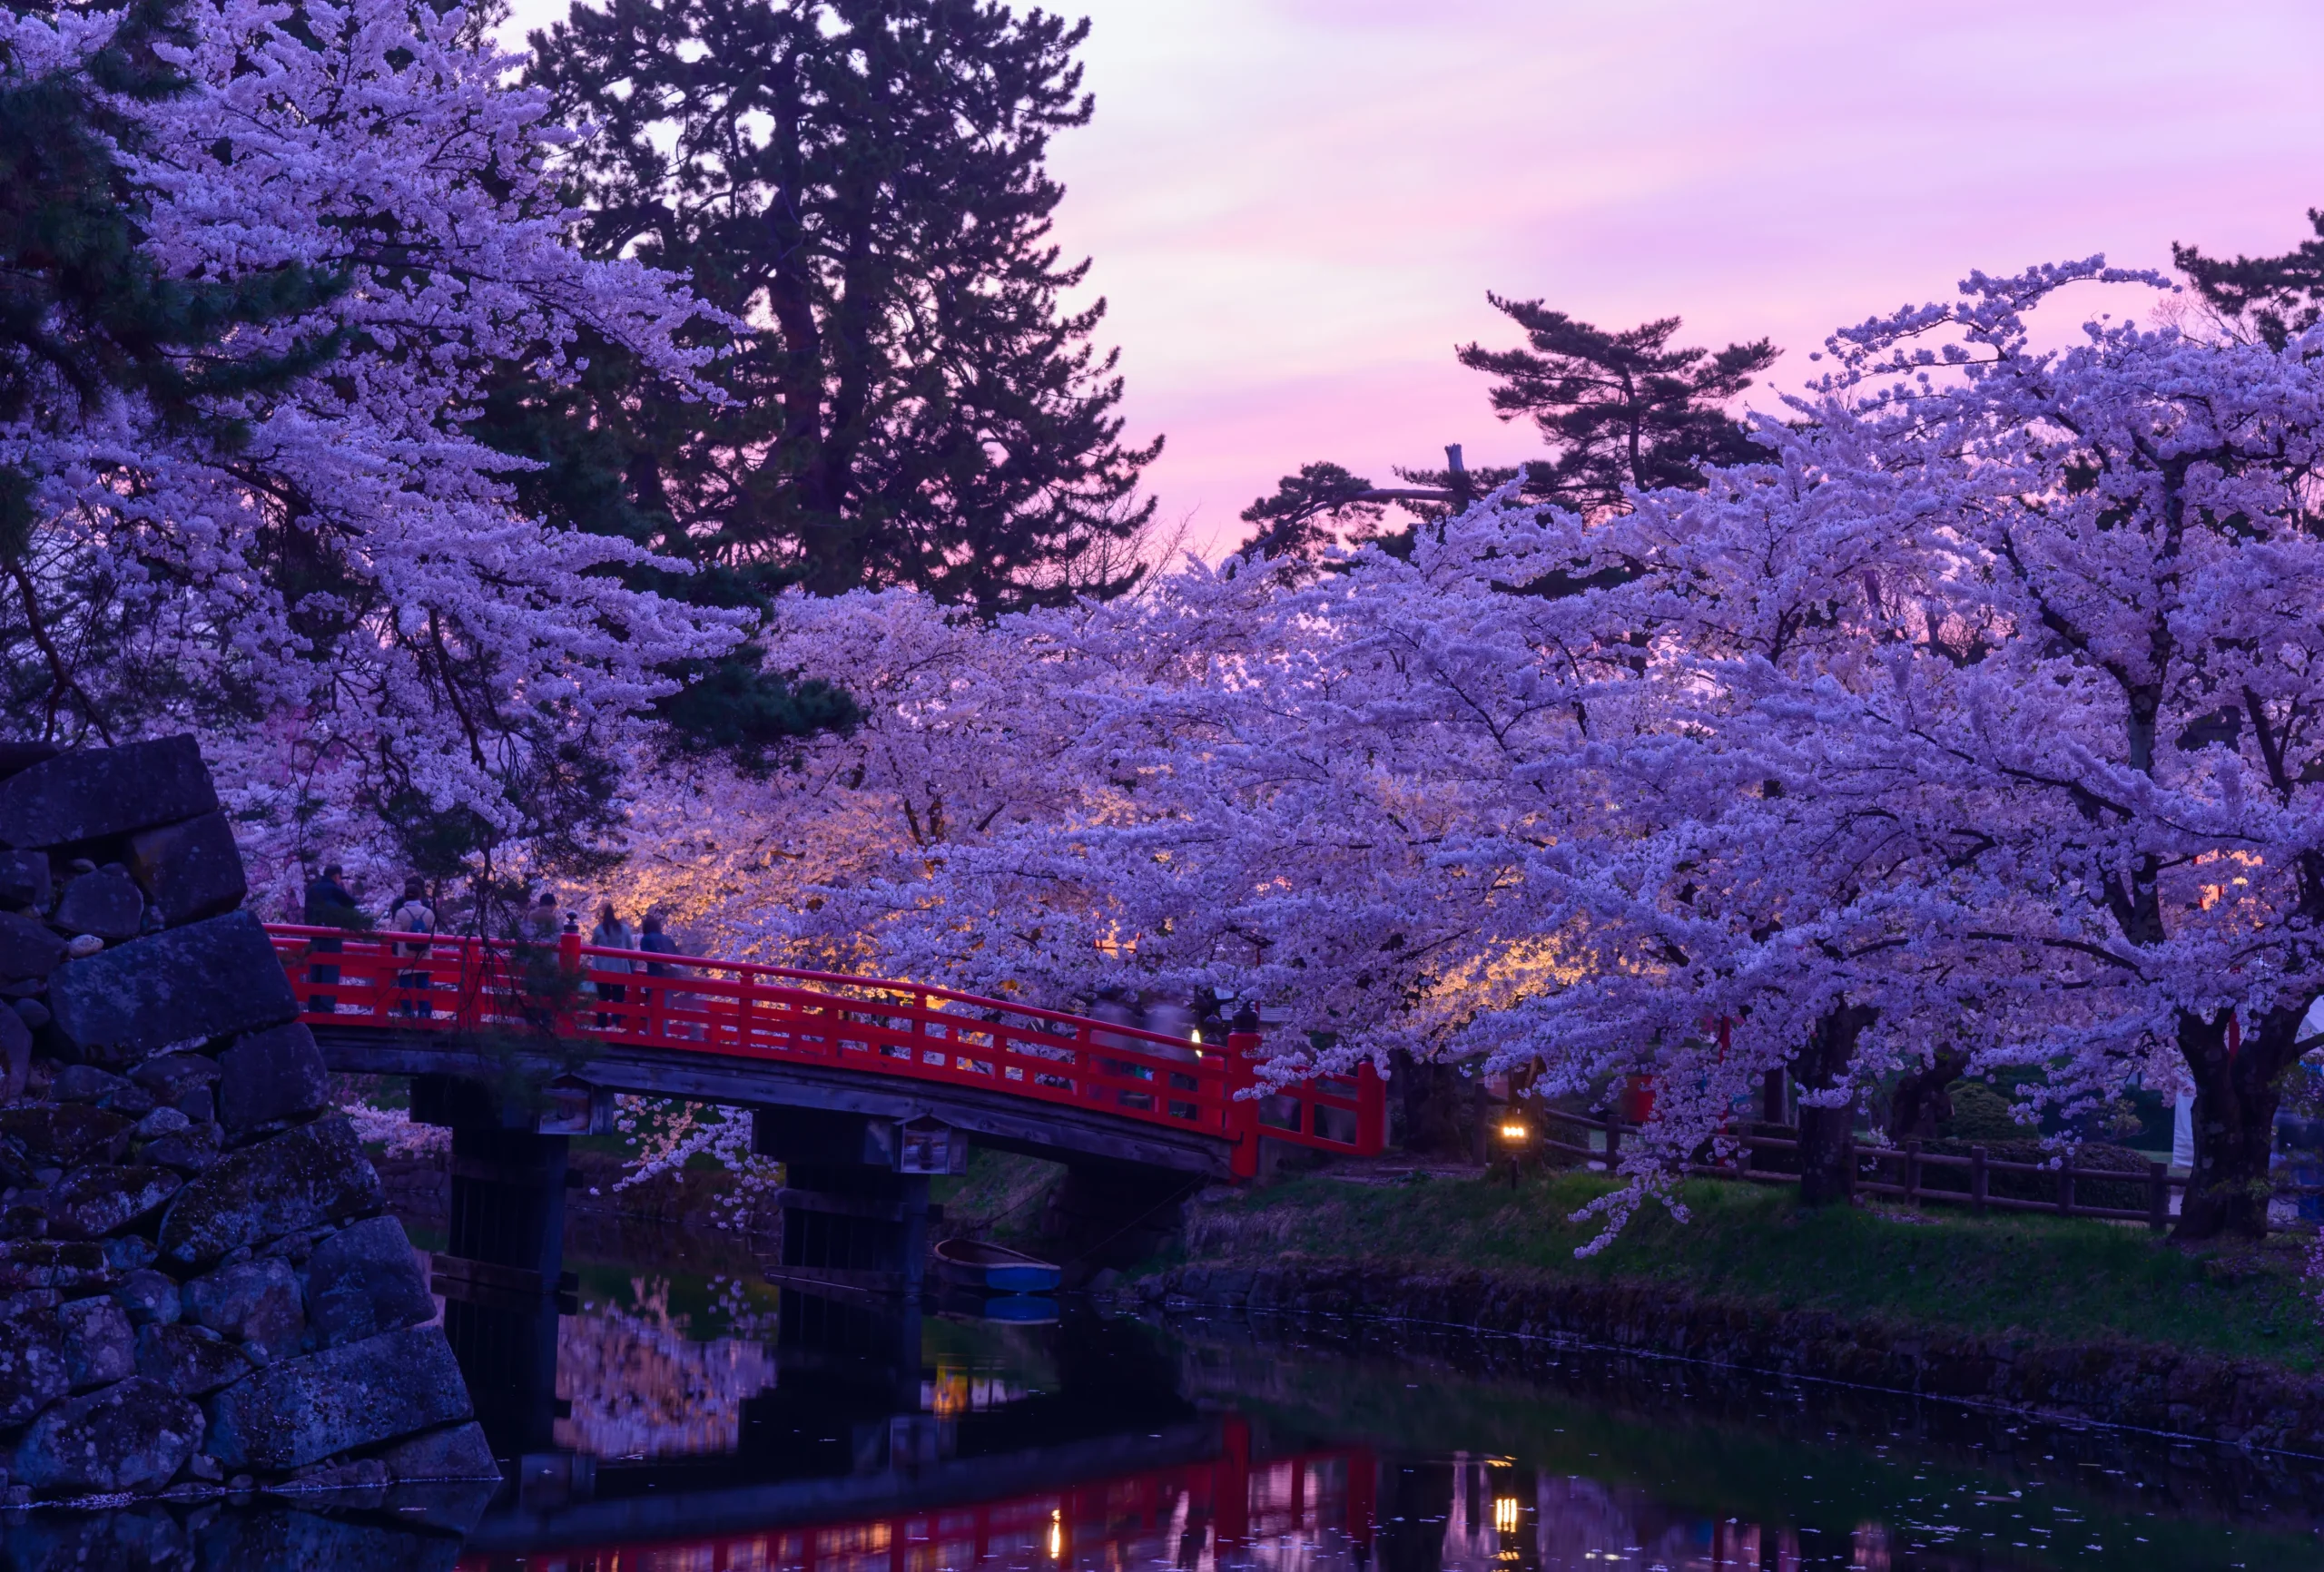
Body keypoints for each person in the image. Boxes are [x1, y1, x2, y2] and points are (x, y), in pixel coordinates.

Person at [301, 863, 358, 1014]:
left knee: (316, 972)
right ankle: (326, 1009)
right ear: (337, 876)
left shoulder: (312, 890)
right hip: (332, 937)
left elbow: (306, 914)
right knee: (330, 973)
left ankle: (313, 1007)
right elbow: (352, 904)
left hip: (315, 937)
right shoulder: (335, 889)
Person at [387, 877, 436, 1019]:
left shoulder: (400, 911)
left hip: (405, 953)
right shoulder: (428, 912)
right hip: (424, 953)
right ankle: (425, 1013)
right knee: (423, 983)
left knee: (405, 984)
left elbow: (395, 934)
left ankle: (407, 1014)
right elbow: (434, 934)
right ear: (420, 895)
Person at [638, 910, 685, 1036]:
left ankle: (652, 1033)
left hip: (654, 976)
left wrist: (661, 964)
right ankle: (661, 1033)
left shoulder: (646, 939)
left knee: (652, 1006)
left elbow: (647, 957)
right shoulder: (667, 939)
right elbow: (679, 956)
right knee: (665, 1006)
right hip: (670, 978)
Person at [590, 901, 635, 1030]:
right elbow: (631, 949)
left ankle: (601, 1024)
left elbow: (593, 945)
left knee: (602, 997)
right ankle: (615, 1024)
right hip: (620, 967)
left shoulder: (599, 929)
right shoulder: (624, 929)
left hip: (603, 966)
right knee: (618, 998)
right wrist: (632, 967)